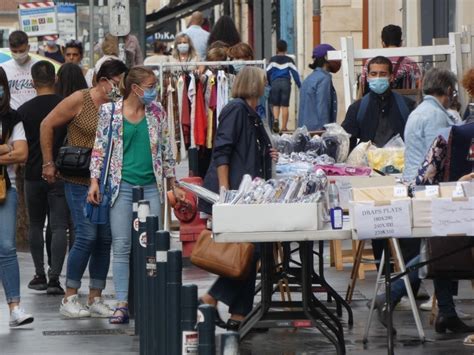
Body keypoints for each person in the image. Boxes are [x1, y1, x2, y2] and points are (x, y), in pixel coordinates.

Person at [89, 66, 184, 323]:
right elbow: (99, 148)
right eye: (151, 86)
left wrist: (172, 184)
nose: (155, 90)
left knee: (152, 244)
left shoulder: (157, 112)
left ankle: (151, 297)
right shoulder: (110, 112)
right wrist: (94, 181)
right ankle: (122, 302)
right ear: (135, 88)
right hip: (121, 186)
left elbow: (166, 149)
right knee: (122, 245)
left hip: (151, 185)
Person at [40, 60, 128, 318]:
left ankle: (95, 296)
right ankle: (69, 296)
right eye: (118, 82)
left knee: (105, 239)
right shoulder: (81, 99)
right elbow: (47, 124)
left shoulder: (118, 105)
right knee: (86, 235)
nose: (120, 87)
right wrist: (48, 162)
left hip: (108, 181)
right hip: (79, 180)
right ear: (104, 81)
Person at [198, 66, 278, 331]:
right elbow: (223, 150)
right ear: (255, 84)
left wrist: (270, 155)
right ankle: (211, 298)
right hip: (236, 194)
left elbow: (253, 150)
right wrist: (225, 190)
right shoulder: (236, 109)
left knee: (252, 252)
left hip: (250, 195)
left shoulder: (253, 114)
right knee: (250, 251)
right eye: (265, 83)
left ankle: (239, 315)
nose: (267, 87)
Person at [18, 61, 68, 295]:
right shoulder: (65, 106)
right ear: (55, 80)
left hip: (32, 174)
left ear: (32, 82)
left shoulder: (24, 110)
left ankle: (38, 274)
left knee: (36, 225)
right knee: (58, 226)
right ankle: (55, 277)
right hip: (61, 174)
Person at [0, 66, 34, 327]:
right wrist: (5, 146)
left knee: (7, 248)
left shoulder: (12, 118)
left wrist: (10, 148)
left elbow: (22, 154)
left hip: (4, 190)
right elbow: (14, 150)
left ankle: (15, 307)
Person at [342, 55, 416, 151]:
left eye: (383, 74)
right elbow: (347, 143)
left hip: (401, 163)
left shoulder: (407, 106)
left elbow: (417, 139)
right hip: (367, 164)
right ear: (367, 77)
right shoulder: (356, 108)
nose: (378, 77)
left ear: (391, 77)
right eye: (373, 74)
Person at [359, 24, 421, 95]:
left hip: (374, 101)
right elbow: (418, 87)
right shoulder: (411, 64)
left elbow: (363, 85)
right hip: (403, 102)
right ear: (401, 43)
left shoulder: (370, 63)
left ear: (383, 43)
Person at [298, 44, 340, 131]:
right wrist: (325, 131)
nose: (339, 61)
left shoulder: (308, 79)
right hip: (318, 132)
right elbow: (323, 107)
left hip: (305, 131)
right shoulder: (324, 78)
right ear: (326, 57)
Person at [266, 39, 301, 132]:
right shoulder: (289, 60)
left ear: (277, 48)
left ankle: (276, 120)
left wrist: (269, 83)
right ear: (286, 49)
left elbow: (267, 72)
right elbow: (295, 73)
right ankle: (284, 127)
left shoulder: (273, 60)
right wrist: (300, 85)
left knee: (275, 104)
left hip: (275, 83)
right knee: (285, 105)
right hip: (286, 83)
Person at [0, 31, 37, 109]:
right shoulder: (3, 68)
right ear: (9, 48)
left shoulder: (38, 66)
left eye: (21, 51)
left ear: (28, 47)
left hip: (34, 114)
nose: (18, 55)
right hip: (13, 116)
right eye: (14, 51)